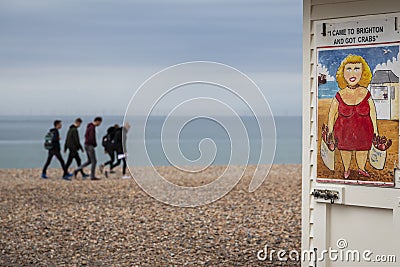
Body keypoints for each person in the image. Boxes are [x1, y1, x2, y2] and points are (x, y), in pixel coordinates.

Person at [327, 54, 378, 179]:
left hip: (364, 131)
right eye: (348, 69)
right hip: (344, 132)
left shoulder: (366, 93)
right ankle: (346, 169)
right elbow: (331, 114)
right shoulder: (339, 95)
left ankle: (361, 168)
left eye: (357, 69)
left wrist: (376, 130)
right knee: (345, 150)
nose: (352, 73)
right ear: (343, 73)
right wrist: (329, 130)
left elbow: (373, 112)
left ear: (363, 73)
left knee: (363, 150)